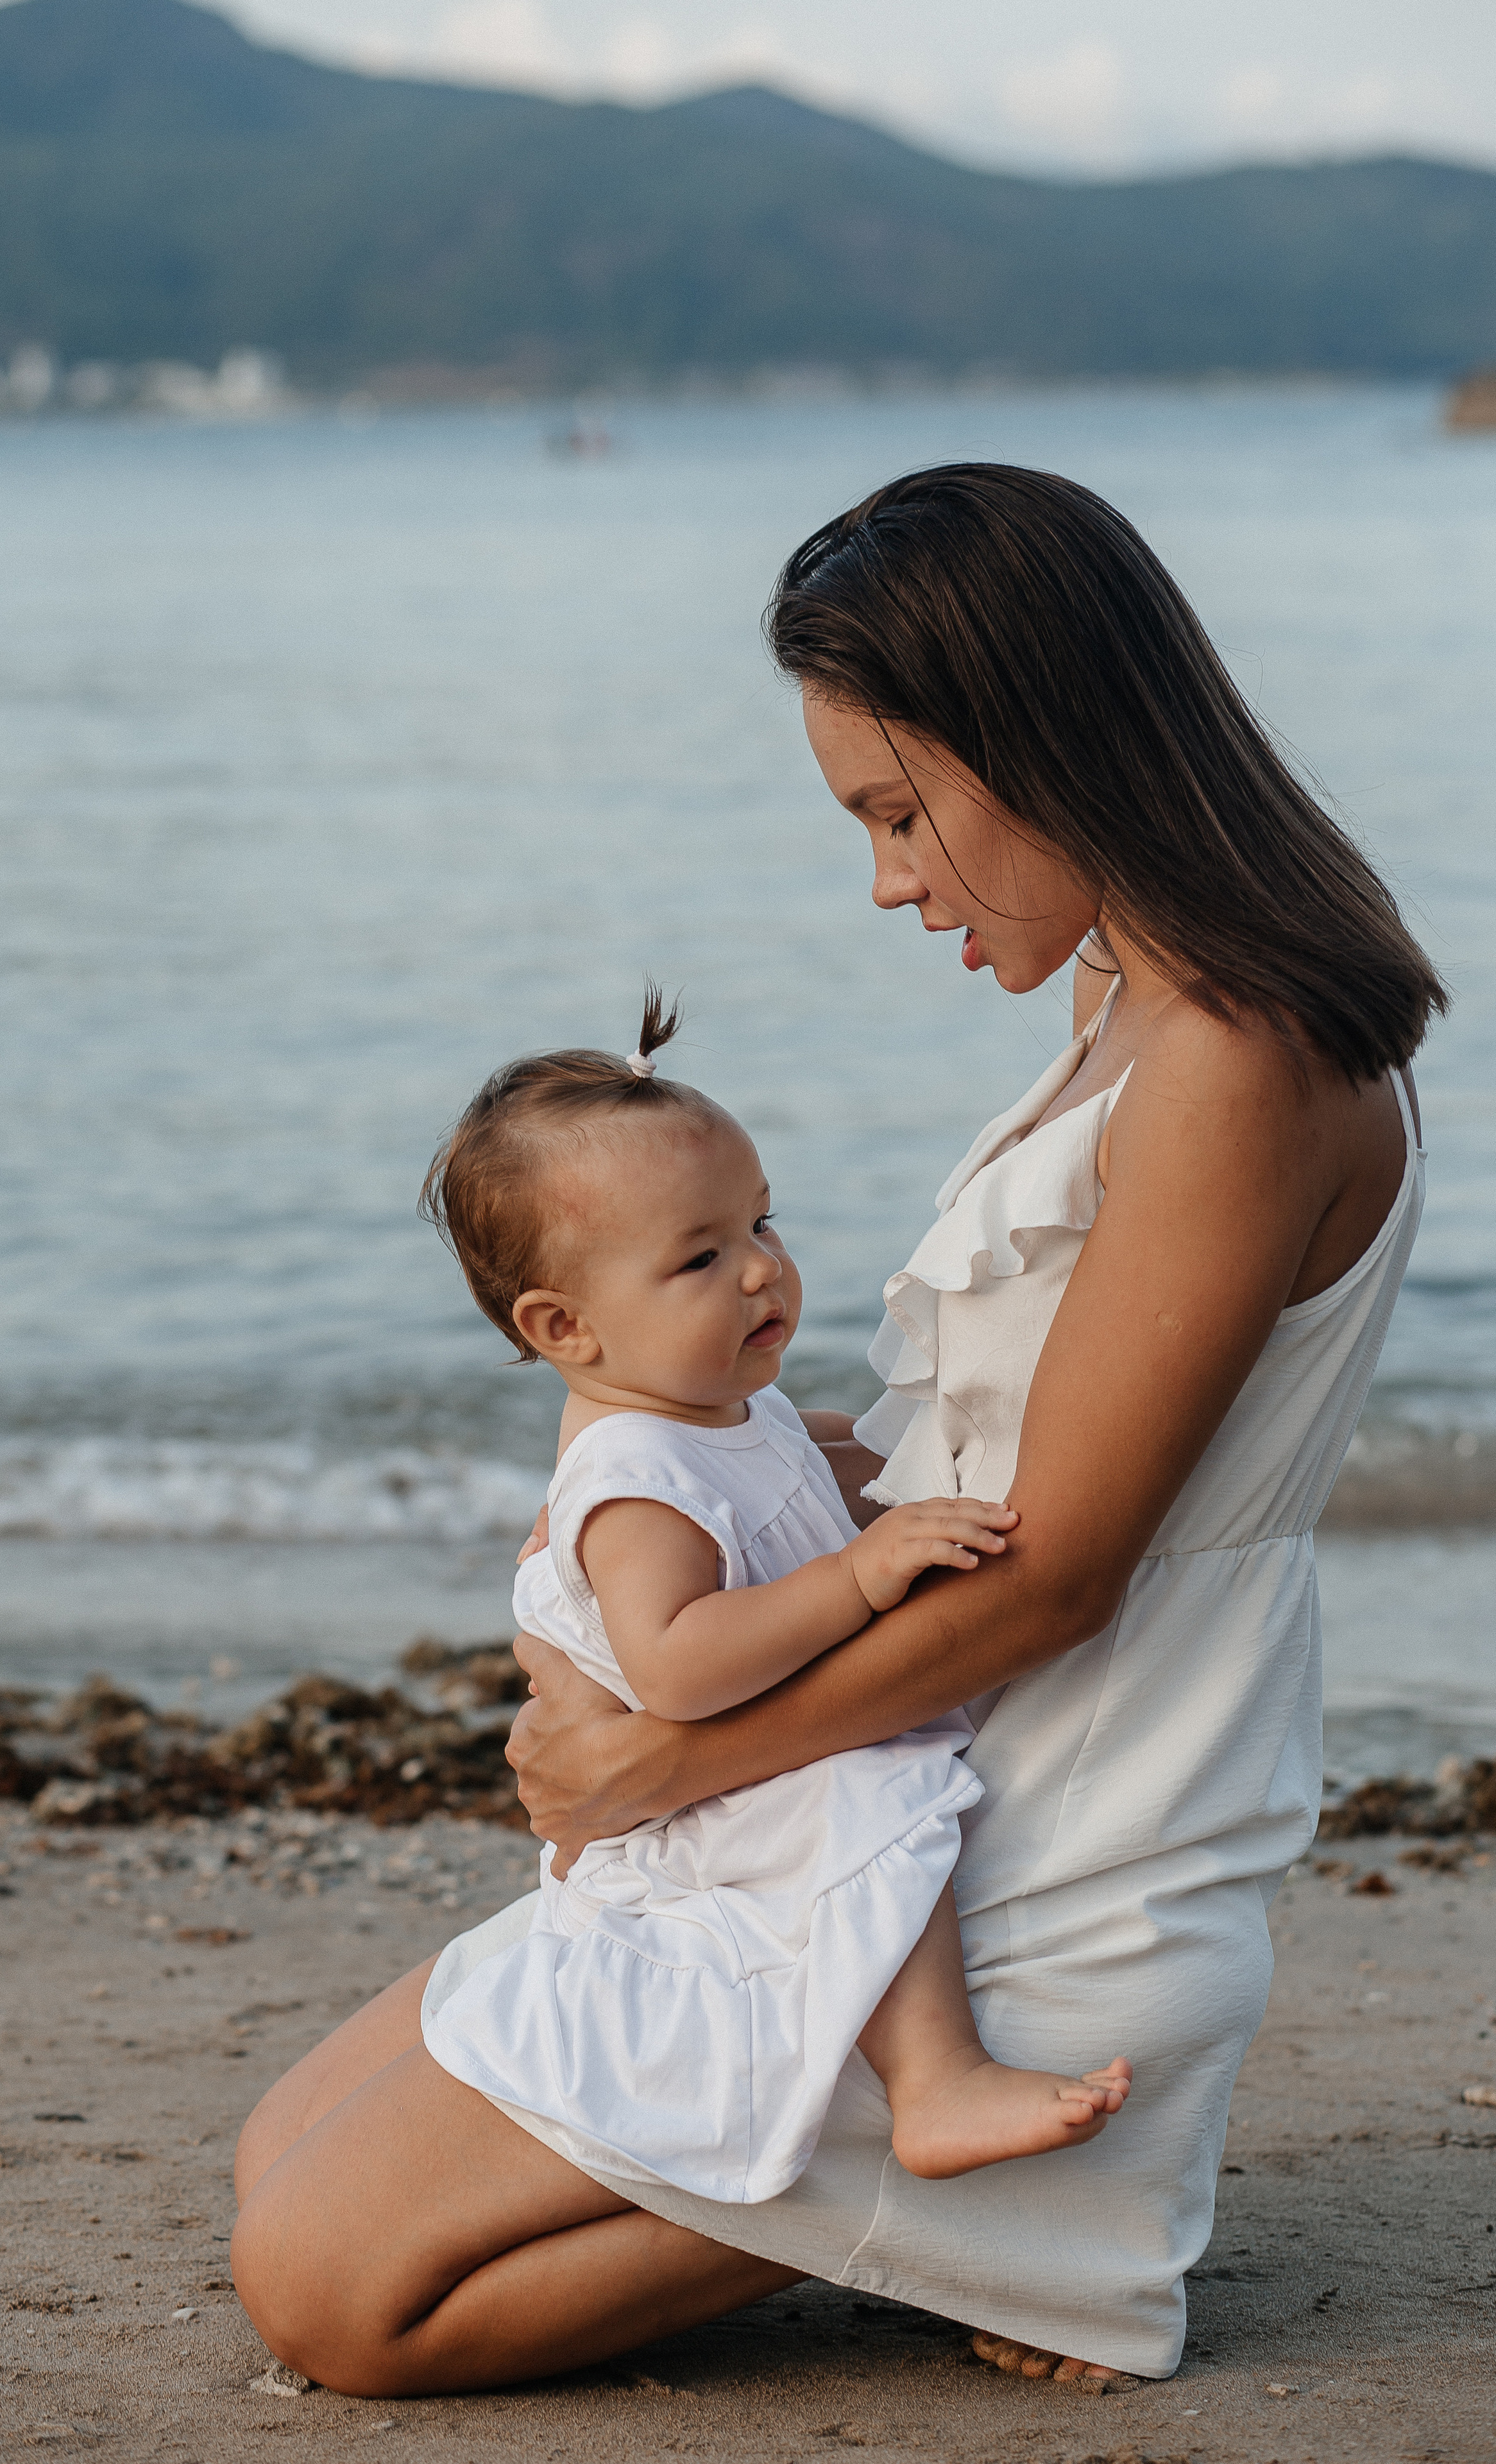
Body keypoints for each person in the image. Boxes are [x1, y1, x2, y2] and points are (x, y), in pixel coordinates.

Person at [229, 463, 1441, 2398]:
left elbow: (1057, 1579)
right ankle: (947, 2202)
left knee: (334, 2295)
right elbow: (989, 1457)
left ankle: (1034, 2205)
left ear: (1040, 740)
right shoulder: (1134, 1010)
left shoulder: (1237, 1056)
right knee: (278, 2147)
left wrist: (656, 1768)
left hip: (1043, 1839)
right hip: (908, 1797)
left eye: (899, 814)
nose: (890, 880)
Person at [414, 993, 1132, 2202]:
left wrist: (920, 1458)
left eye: (761, 1222)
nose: (761, 1269)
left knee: (877, 1787)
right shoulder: (637, 1481)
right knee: (876, 1796)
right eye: (701, 1258)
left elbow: (798, 1468)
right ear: (565, 1328)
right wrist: (858, 1572)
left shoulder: (709, 1411)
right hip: (699, 1804)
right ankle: (935, 2080)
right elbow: (681, 1670)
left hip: (719, 1761)